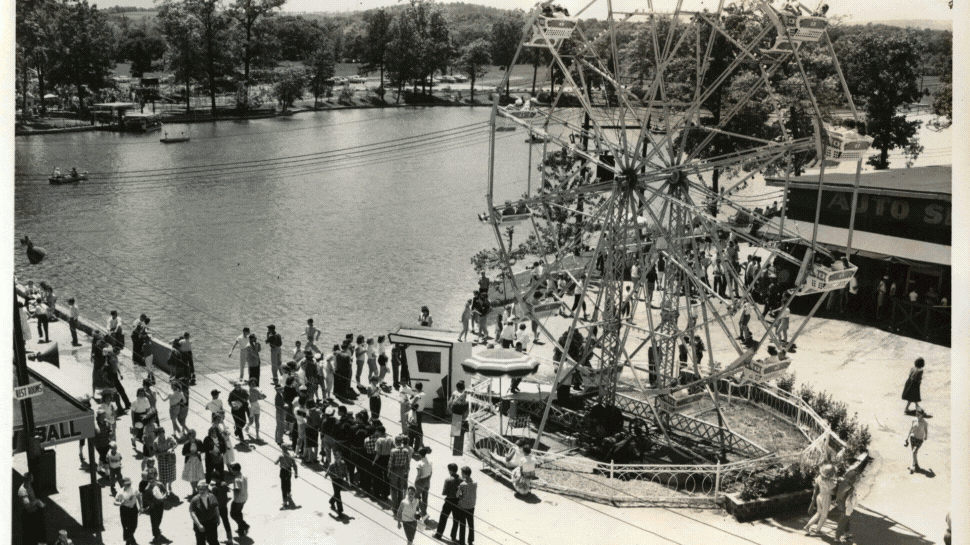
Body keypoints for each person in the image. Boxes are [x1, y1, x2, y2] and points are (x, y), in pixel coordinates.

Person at [804, 464, 837, 536]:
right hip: (826, 497)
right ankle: (818, 530)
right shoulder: (831, 482)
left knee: (818, 513)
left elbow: (816, 487)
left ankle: (807, 526)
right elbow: (833, 492)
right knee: (824, 515)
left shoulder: (819, 478)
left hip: (819, 496)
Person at [433, 463, 463, 542]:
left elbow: (444, 493)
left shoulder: (448, 480)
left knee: (443, 518)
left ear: (450, 470)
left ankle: (439, 534)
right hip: (457, 502)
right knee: (456, 520)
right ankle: (453, 536)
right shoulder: (462, 479)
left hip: (449, 501)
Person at [18, 473, 47, 545]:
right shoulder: (23, 491)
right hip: (29, 514)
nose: (33, 479)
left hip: (34, 511)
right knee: (30, 534)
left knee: (36, 531)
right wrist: (37, 501)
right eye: (31, 478)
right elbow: (27, 505)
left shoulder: (28, 484)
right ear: (28, 480)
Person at [833, 468, 859, 543]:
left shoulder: (843, 483)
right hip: (846, 506)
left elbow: (838, 493)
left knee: (846, 519)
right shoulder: (851, 488)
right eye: (855, 479)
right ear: (853, 479)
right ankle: (837, 537)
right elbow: (849, 500)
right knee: (843, 520)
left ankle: (846, 533)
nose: (856, 480)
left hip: (840, 503)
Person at [388, 435, 413, 510]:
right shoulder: (406, 451)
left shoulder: (393, 451)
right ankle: (400, 506)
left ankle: (394, 506)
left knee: (394, 489)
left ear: (395, 442)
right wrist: (406, 471)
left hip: (394, 470)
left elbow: (390, 463)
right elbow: (407, 463)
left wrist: (389, 472)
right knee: (400, 489)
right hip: (402, 471)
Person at [140, 473, 167, 543]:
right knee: (154, 521)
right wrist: (146, 506)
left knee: (159, 519)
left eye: (153, 479)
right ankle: (156, 535)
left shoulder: (160, 485)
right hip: (153, 507)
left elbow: (165, 491)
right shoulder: (147, 489)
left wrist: (163, 497)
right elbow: (145, 499)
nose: (151, 481)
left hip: (160, 505)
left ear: (155, 478)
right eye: (150, 480)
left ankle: (157, 530)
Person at [114, 477, 141, 545]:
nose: (128, 485)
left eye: (129, 483)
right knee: (126, 526)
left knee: (134, 525)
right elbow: (115, 502)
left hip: (134, 509)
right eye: (127, 484)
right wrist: (120, 503)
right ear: (123, 484)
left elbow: (139, 496)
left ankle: (128, 538)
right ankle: (130, 540)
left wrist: (141, 506)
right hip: (125, 510)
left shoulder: (134, 489)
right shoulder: (120, 492)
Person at [456, 466, 477, 545]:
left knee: (462, 524)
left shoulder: (462, 485)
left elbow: (458, 495)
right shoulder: (475, 483)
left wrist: (459, 489)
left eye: (462, 473)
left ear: (465, 474)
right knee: (471, 523)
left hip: (463, 506)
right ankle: (470, 540)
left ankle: (462, 541)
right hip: (471, 506)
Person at [181, 430, 205, 496]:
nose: (193, 436)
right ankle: (193, 489)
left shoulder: (199, 441)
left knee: (197, 475)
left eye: (194, 435)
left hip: (197, 461)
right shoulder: (186, 444)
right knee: (191, 476)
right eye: (192, 435)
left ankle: (196, 486)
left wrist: (200, 452)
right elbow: (183, 453)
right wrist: (190, 454)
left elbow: (203, 449)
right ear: (189, 436)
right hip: (190, 461)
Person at [905, 408, 929, 473]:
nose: (917, 415)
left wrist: (926, 436)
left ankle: (913, 465)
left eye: (919, 414)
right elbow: (911, 429)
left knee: (914, 451)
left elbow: (926, 430)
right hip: (912, 438)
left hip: (920, 439)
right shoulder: (914, 420)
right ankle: (916, 465)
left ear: (922, 415)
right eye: (916, 414)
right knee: (914, 452)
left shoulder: (925, 423)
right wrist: (907, 438)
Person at [325, 450, 348, 516]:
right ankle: (340, 510)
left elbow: (345, 471)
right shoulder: (332, 464)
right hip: (334, 480)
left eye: (338, 457)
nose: (336, 459)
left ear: (341, 457)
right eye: (335, 458)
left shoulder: (343, 463)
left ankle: (331, 501)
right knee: (338, 494)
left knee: (337, 493)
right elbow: (328, 470)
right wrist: (326, 475)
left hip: (340, 479)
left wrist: (347, 478)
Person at [275, 444, 298, 509]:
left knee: (283, 486)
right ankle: (289, 493)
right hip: (288, 471)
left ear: (282, 449)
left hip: (283, 471)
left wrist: (276, 462)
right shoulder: (291, 456)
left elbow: (276, 462)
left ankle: (285, 502)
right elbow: (295, 465)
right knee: (288, 482)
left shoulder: (281, 456)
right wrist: (296, 473)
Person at [229, 463, 249, 538]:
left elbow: (237, 490)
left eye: (232, 471)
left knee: (233, 514)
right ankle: (241, 530)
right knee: (238, 513)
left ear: (236, 471)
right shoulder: (243, 475)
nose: (232, 472)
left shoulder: (236, 479)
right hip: (244, 497)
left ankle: (244, 525)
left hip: (238, 499)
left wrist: (230, 488)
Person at [413, 447, 433, 521]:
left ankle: (420, 513)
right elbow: (431, 472)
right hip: (427, 480)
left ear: (419, 454)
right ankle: (424, 511)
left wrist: (416, 481)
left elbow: (419, 474)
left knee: (417, 497)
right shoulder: (430, 461)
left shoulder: (419, 463)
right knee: (425, 497)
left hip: (421, 481)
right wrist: (428, 479)